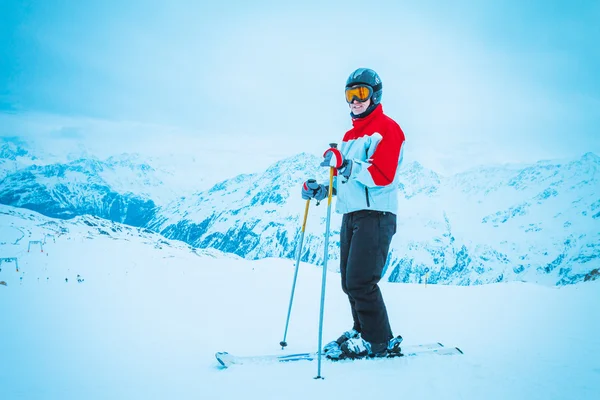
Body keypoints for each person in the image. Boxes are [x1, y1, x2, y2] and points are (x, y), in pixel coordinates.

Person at [301, 67, 406, 359]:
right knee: (350, 282)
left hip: (376, 215)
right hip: (352, 215)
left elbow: (382, 175)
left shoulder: (388, 129)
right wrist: (322, 189)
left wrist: (345, 164)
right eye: (350, 94)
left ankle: (378, 341)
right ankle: (363, 331)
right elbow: (346, 181)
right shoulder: (349, 136)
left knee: (361, 281)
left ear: (375, 96)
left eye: (361, 93)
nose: (355, 100)